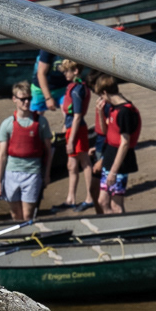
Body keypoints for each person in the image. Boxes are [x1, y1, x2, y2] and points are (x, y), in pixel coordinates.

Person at [0, 81, 53, 220]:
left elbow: (49, 151)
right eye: (23, 99)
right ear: (14, 99)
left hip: (33, 173)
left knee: (28, 215)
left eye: (29, 99)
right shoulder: (7, 123)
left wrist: (47, 174)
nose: (26, 102)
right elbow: (2, 155)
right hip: (11, 174)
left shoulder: (41, 122)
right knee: (15, 214)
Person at [94, 75, 140, 213]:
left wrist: (113, 171)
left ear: (104, 93)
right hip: (109, 156)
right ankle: (112, 228)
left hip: (119, 162)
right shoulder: (112, 108)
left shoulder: (125, 111)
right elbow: (106, 131)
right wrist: (100, 111)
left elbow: (125, 143)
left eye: (101, 96)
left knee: (116, 204)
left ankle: (121, 232)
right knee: (102, 201)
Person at [56, 59, 91, 208]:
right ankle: (71, 198)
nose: (65, 74)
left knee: (84, 161)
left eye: (67, 71)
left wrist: (70, 141)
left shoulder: (77, 90)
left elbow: (77, 116)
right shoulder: (74, 88)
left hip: (77, 130)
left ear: (75, 71)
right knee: (71, 164)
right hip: (71, 129)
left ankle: (90, 197)